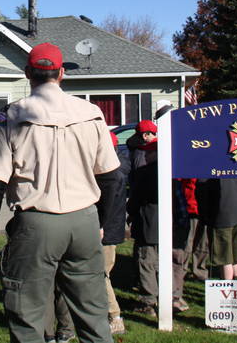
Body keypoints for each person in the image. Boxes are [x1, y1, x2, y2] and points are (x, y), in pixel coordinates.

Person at [0, 42, 121, 343]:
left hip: (36, 223)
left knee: (27, 315)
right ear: (62, 74)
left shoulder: (12, 115)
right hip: (84, 220)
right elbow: (111, 178)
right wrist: (101, 224)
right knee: (93, 315)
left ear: (28, 72)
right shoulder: (91, 112)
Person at [126, 120, 189, 317]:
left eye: (148, 152)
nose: (145, 154)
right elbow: (179, 199)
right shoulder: (172, 173)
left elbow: (135, 198)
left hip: (149, 223)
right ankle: (171, 297)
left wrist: (131, 213)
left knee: (146, 262)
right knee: (166, 262)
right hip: (169, 224)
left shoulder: (145, 173)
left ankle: (148, 301)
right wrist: (180, 221)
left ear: (153, 153)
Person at [101, 131, 129, 334]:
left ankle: (115, 316)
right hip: (111, 228)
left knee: (100, 274)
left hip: (105, 231)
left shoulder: (111, 175)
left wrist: (100, 225)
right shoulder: (118, 168)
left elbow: (107, 206)